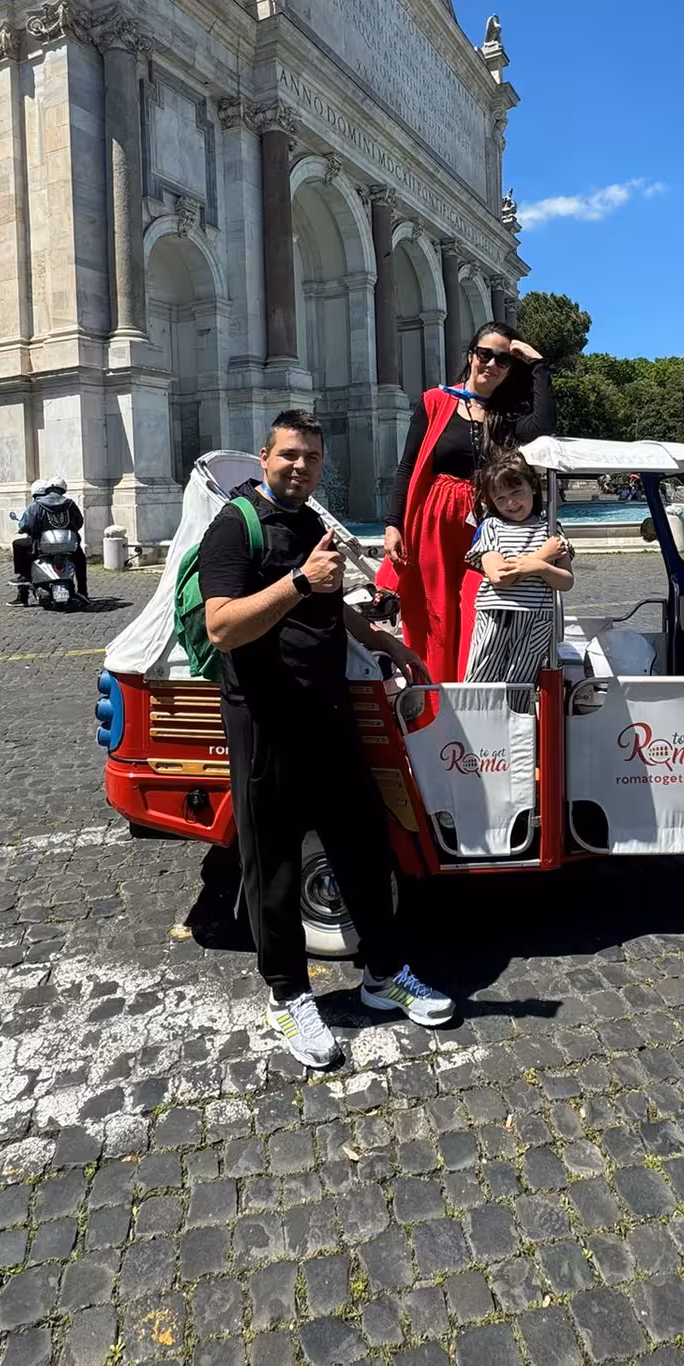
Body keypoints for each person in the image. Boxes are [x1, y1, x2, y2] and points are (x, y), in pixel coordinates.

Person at [199, 410, 453, 1070]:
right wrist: (300, 581)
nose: (299, 466)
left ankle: (383, 976)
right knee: (275, 863)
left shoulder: (312, 523)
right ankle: (288, 995)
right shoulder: (234, 527)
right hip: (265, 718)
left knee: (363, 845)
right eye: (289, 454)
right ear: (264, 457)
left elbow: (329, 602)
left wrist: (381, 638)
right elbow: (223, 626)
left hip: (327, 712)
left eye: (311, 457)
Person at [380, 324, 554, 682]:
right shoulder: (434, 401)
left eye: (503, 359)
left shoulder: (505, 415)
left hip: (485, 525)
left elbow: (543, 425)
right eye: (485, 354)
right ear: (471, 355)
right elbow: (409, 465)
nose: (491, 364)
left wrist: (538, 364)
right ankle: (435, 700)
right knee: (436, 613)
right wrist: (393, 522)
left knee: (480, 609)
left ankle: (473, 694)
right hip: (435, 521)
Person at [463, 454, 573, 691]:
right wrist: (540, 559)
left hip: (538, 619)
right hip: (497, 615)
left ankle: (517, 726)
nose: (510, 504)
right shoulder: (493, 527)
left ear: (532, 487)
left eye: (516, 493)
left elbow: (566, 581)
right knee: (481, 677)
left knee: (522, 682)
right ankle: (475, 725)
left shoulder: (551, 528)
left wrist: (541, 567)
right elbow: (498, 576)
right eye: (501, 499)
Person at [11, 477, 88, 603]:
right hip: (69, 545)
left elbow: (28, 525)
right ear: (63, 489)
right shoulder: (70, 504)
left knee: (20, 546)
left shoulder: (36, 506)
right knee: (80, 560)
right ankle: (83, 591)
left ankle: (24, 582)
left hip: (43, 545)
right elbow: (79, 522)